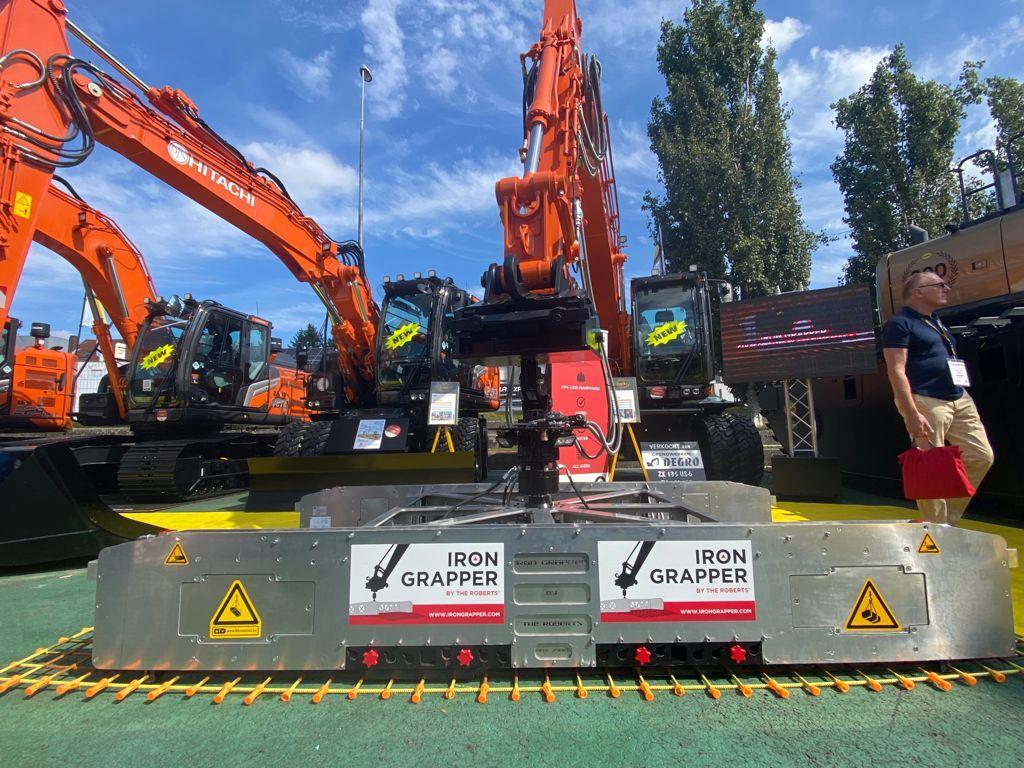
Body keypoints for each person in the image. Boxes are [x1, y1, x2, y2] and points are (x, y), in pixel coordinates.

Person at [881, 272, 994, 523]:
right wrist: (911, 413)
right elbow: (896, 369)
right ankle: (935, 528)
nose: (946, 289)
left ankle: (946, 520)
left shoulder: (935, 321)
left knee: (981, 456)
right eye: (939, 285)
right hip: (925, 399)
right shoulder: (899, 323)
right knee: (931, 465)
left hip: (958, 397)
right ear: (918, 292)